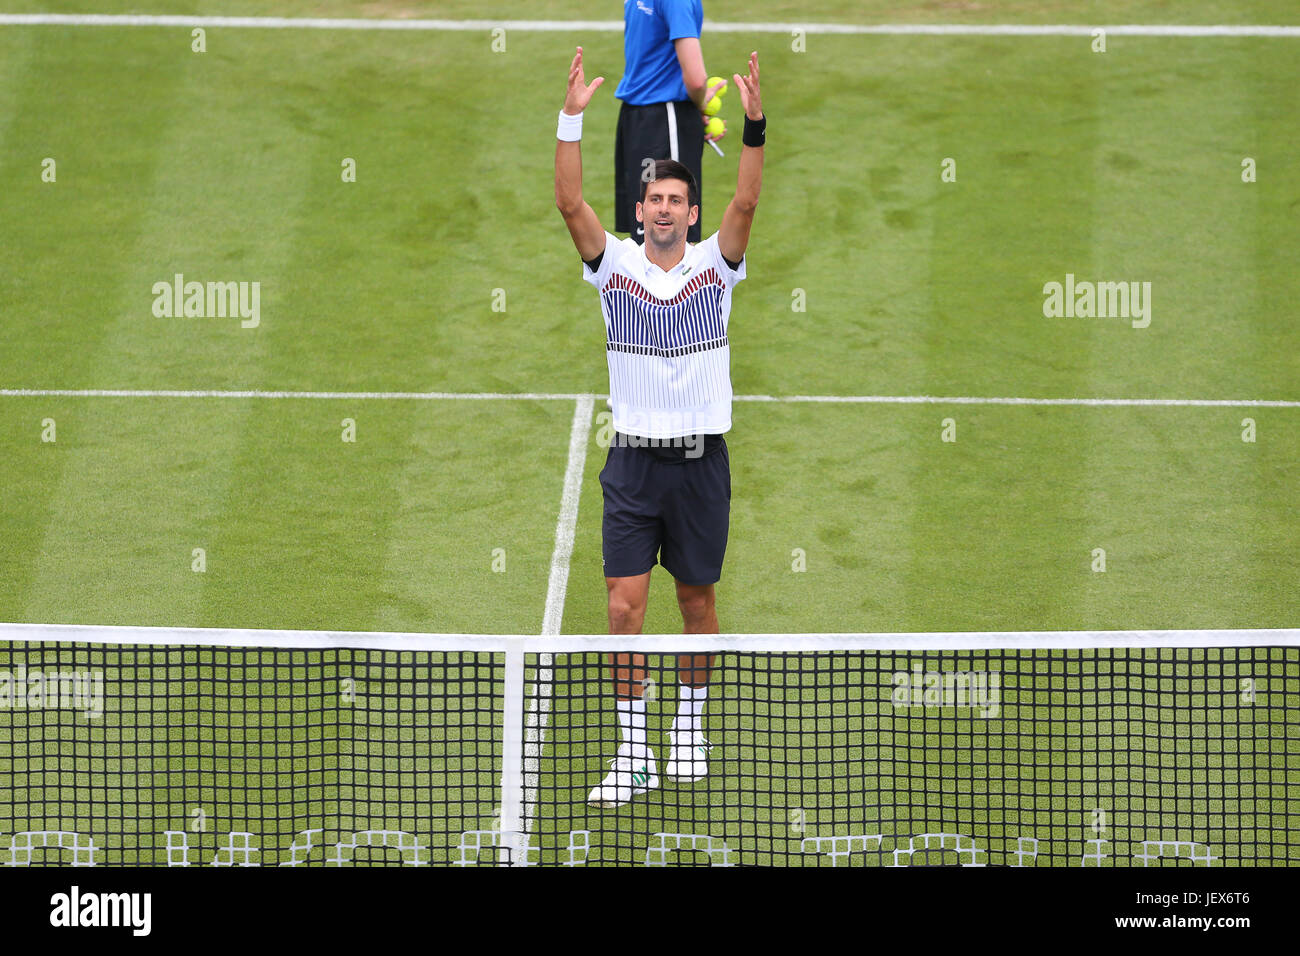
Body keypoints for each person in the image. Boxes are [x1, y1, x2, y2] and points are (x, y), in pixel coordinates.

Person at [554, 46, 766, 808]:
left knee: (698, 604)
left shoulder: (720, 264)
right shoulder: (613, 268)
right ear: (640, 211)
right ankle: (634, 748)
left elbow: (746, 205)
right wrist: (569, 121)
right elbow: (569, 207)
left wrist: (754, 127)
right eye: (656, 201)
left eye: (678, 200)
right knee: (623, 605)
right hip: (634, 466)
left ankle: (689, 727)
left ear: (692, 211)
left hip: (702, 463)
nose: (667, 208)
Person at [614, 0, 726, 245]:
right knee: (669, 239)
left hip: (635, 121)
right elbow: (697, 81)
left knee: (646, 235)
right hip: (666, 121)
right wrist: (698, 105)